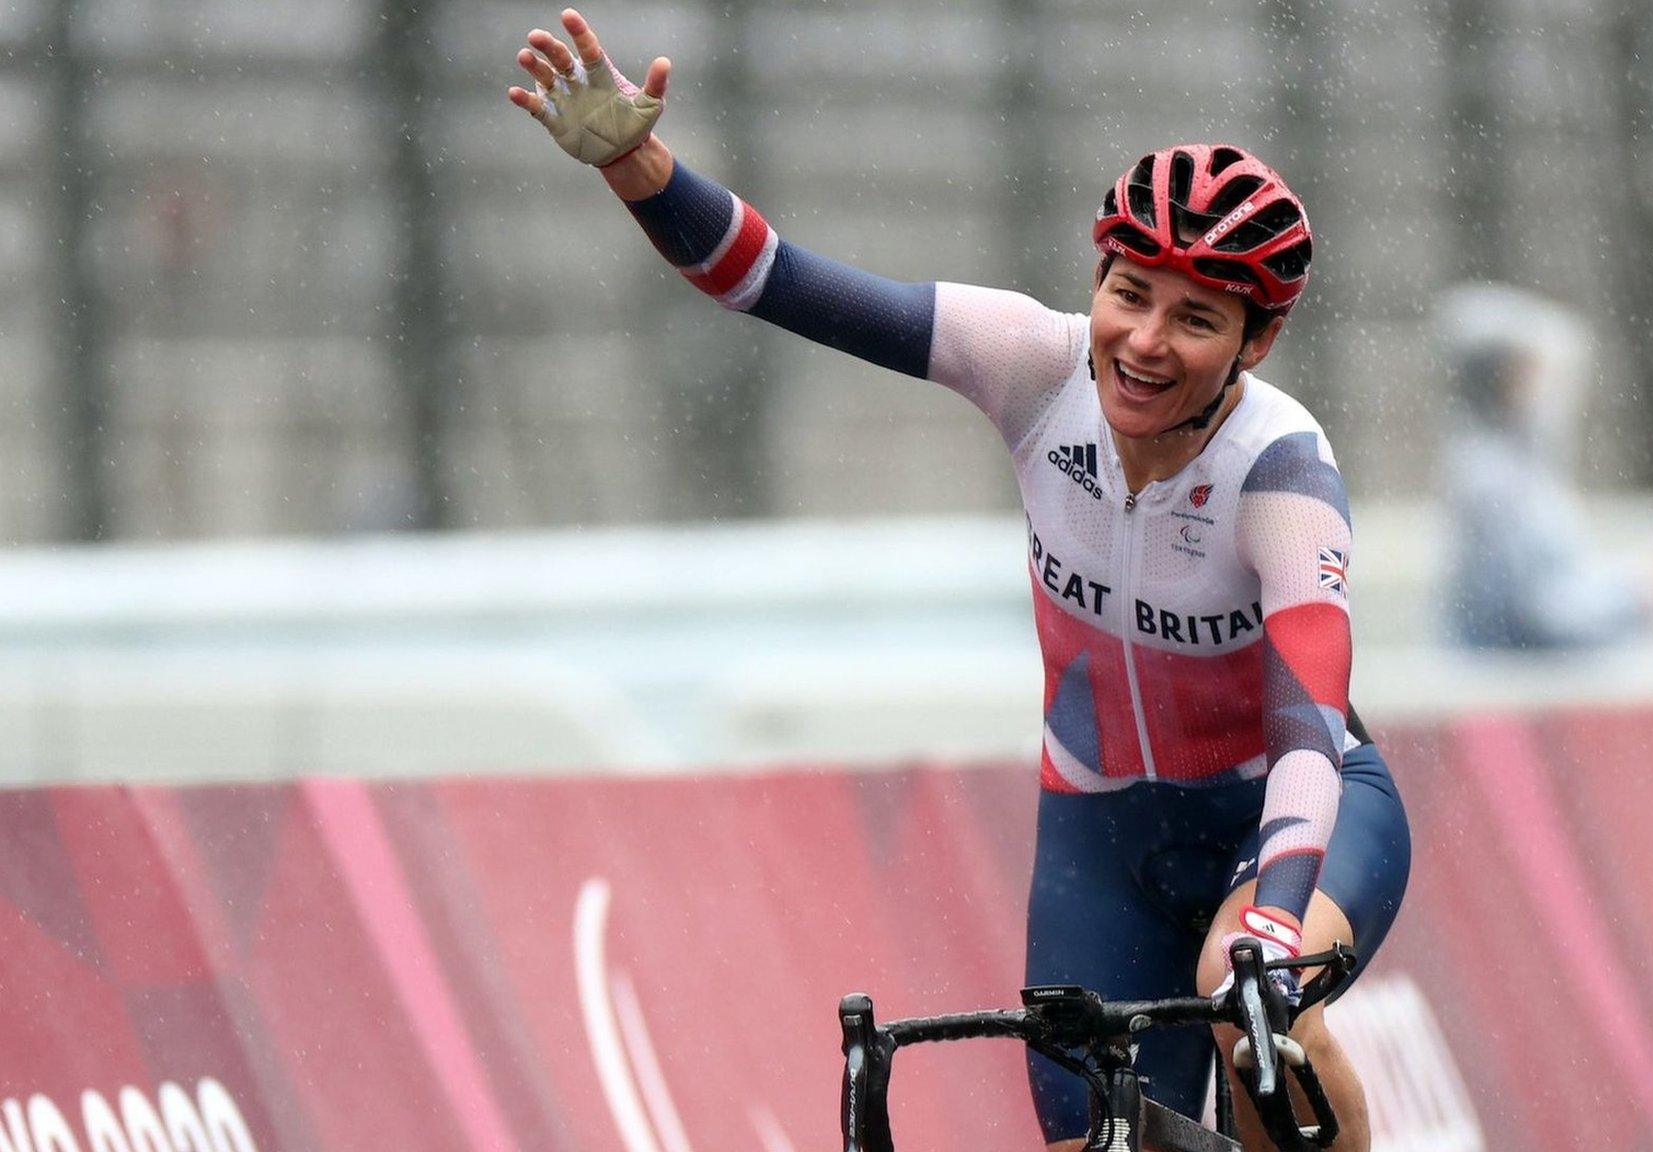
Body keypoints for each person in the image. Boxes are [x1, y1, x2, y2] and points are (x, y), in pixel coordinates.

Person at [508, 13, 1410, 1150]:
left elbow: (1303, 723)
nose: (1141, 340)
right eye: (1129, 292)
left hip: (1289, 814)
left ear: (1254, 344)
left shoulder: (1281, 474)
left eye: (1196, 319)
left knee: (1255, 1031)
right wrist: (640, 171)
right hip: (1101, 826)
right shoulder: (1031, 362)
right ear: (1096, 276)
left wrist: (1273, 927)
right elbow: (772, 282)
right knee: (1094, 1136)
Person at [1433, 282, 1653, 652]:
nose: (1542, 388)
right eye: (1525, 371)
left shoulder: (1518, 468)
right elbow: (1541, 613)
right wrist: (1644, 591)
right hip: (1508, 697)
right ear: (1495, 379)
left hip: (1527, 690)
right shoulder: (1491, 481)